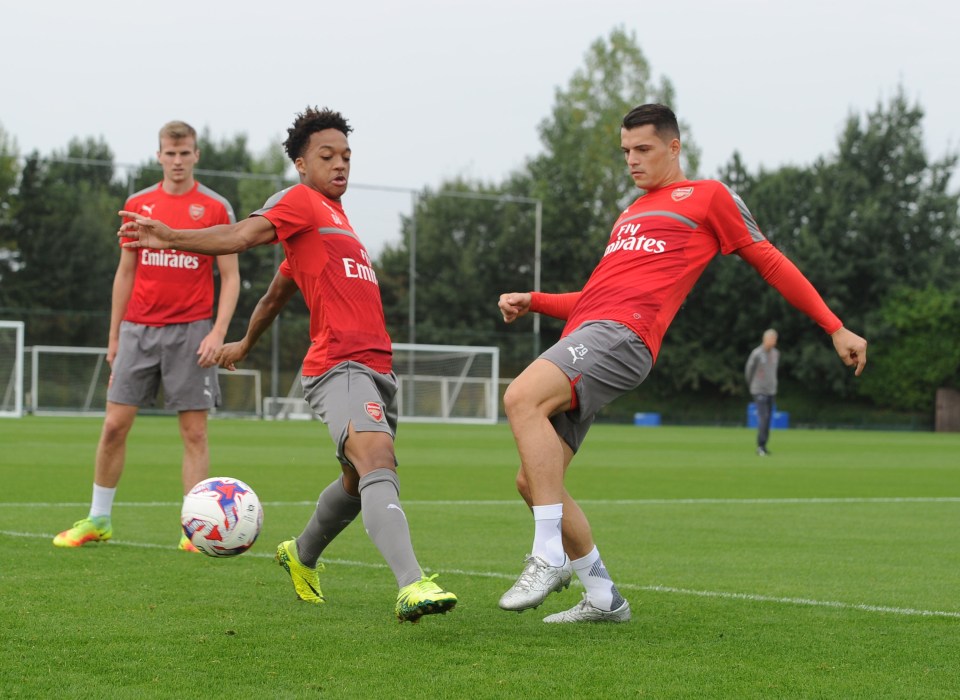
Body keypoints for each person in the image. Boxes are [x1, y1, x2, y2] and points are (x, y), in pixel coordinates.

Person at [496, 103, 867, 624]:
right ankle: (604, 597)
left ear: (674, 147)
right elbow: (595, 297)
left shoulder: (708, 197)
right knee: (533, 481)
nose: (632, 160)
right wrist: (534, 299)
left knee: (520, 396)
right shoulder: (629, 212)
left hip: (622, 338)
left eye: (643, 149)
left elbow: (770, 260)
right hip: (590, 333)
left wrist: (834, 325)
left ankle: (546, 557)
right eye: (625, 151)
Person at [116, 107, 457, 623]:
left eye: (346, 156)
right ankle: (412, 584)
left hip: (376, 366)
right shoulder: (298, 201)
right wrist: (171, 236)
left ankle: (301, 553)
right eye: (326, 156)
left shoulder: (335, 220)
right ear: (301, 164)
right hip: (338, 363)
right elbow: (239, 236)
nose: (340, 164)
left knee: (354, 480)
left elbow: (277, 293)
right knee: (377, 459)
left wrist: (243, 344)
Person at [53, 121, 240, 552]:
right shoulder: (138, 205)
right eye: (169, 153)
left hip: (192, 332)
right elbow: (125, 272)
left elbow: (230, 277)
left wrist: (218, 332)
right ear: (158, 156)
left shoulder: (215, 208)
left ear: (196, 155)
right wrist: (114, 336)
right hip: (137, 330)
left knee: (194, 433)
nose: (177, 161)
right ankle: (99, 519)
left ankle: (194, 530)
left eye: (185, 153)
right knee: (114, 426)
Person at [745, 329, 780, 456]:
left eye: (775, 339)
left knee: (769, 418)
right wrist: (752, 385)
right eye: (772, 339)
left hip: (771, 390)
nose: (773, 342)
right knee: (763, 418)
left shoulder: (776, 354)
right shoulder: (757, 353)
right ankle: (760, 446)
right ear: (765, 339)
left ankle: (764, 446)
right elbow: (749, 370)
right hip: (759, 390)